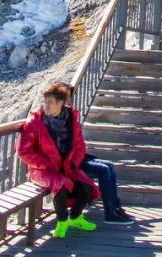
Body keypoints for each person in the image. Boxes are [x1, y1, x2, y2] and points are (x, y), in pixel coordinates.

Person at [16, 82, 100, 239]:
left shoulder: (71, 121)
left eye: (50, 102)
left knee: (86, 187)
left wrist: (74, 162)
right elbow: (23, 151)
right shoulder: (34, 123)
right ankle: (62, 222)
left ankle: (75, 217)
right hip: (41, 170)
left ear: (61, 103)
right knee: (59, 186)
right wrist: (45, 163)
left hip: (66, 167)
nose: (46, 106)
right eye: (45, 101)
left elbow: (80, 145)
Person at [80, 154, 134, 224]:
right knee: (104, 169)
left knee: (110, 165)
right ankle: (109, 213)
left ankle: (115, 208)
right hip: (73, 161)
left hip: (82, 158)